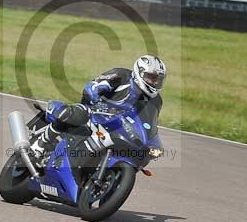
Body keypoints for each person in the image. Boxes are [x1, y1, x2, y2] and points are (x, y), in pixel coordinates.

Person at [30, 55, 166, 160]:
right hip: (95, 114)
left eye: (158, 79)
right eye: (151, 78)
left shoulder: (156, 101)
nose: (154, 82)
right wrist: (96, 101)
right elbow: (93, 87)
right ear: (139, 73)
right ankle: (39, 145)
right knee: (78, 113)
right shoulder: (122, 75)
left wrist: (152, 142)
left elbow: (150, 124)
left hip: (118, 127)